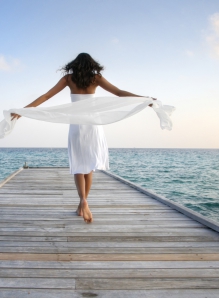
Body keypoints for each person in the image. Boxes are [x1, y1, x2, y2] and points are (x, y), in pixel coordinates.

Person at [10, 53, 157, 224]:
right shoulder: (96, 78)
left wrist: (23, 110)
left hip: (77, 126)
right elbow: (119, 92)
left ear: (75, 64)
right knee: (89, 166)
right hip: (94, 126)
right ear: (91, 64)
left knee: (79, 165)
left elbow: (47, 96)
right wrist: (144, 99)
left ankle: (83, 201)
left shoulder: (69, 79)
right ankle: (84, 202)